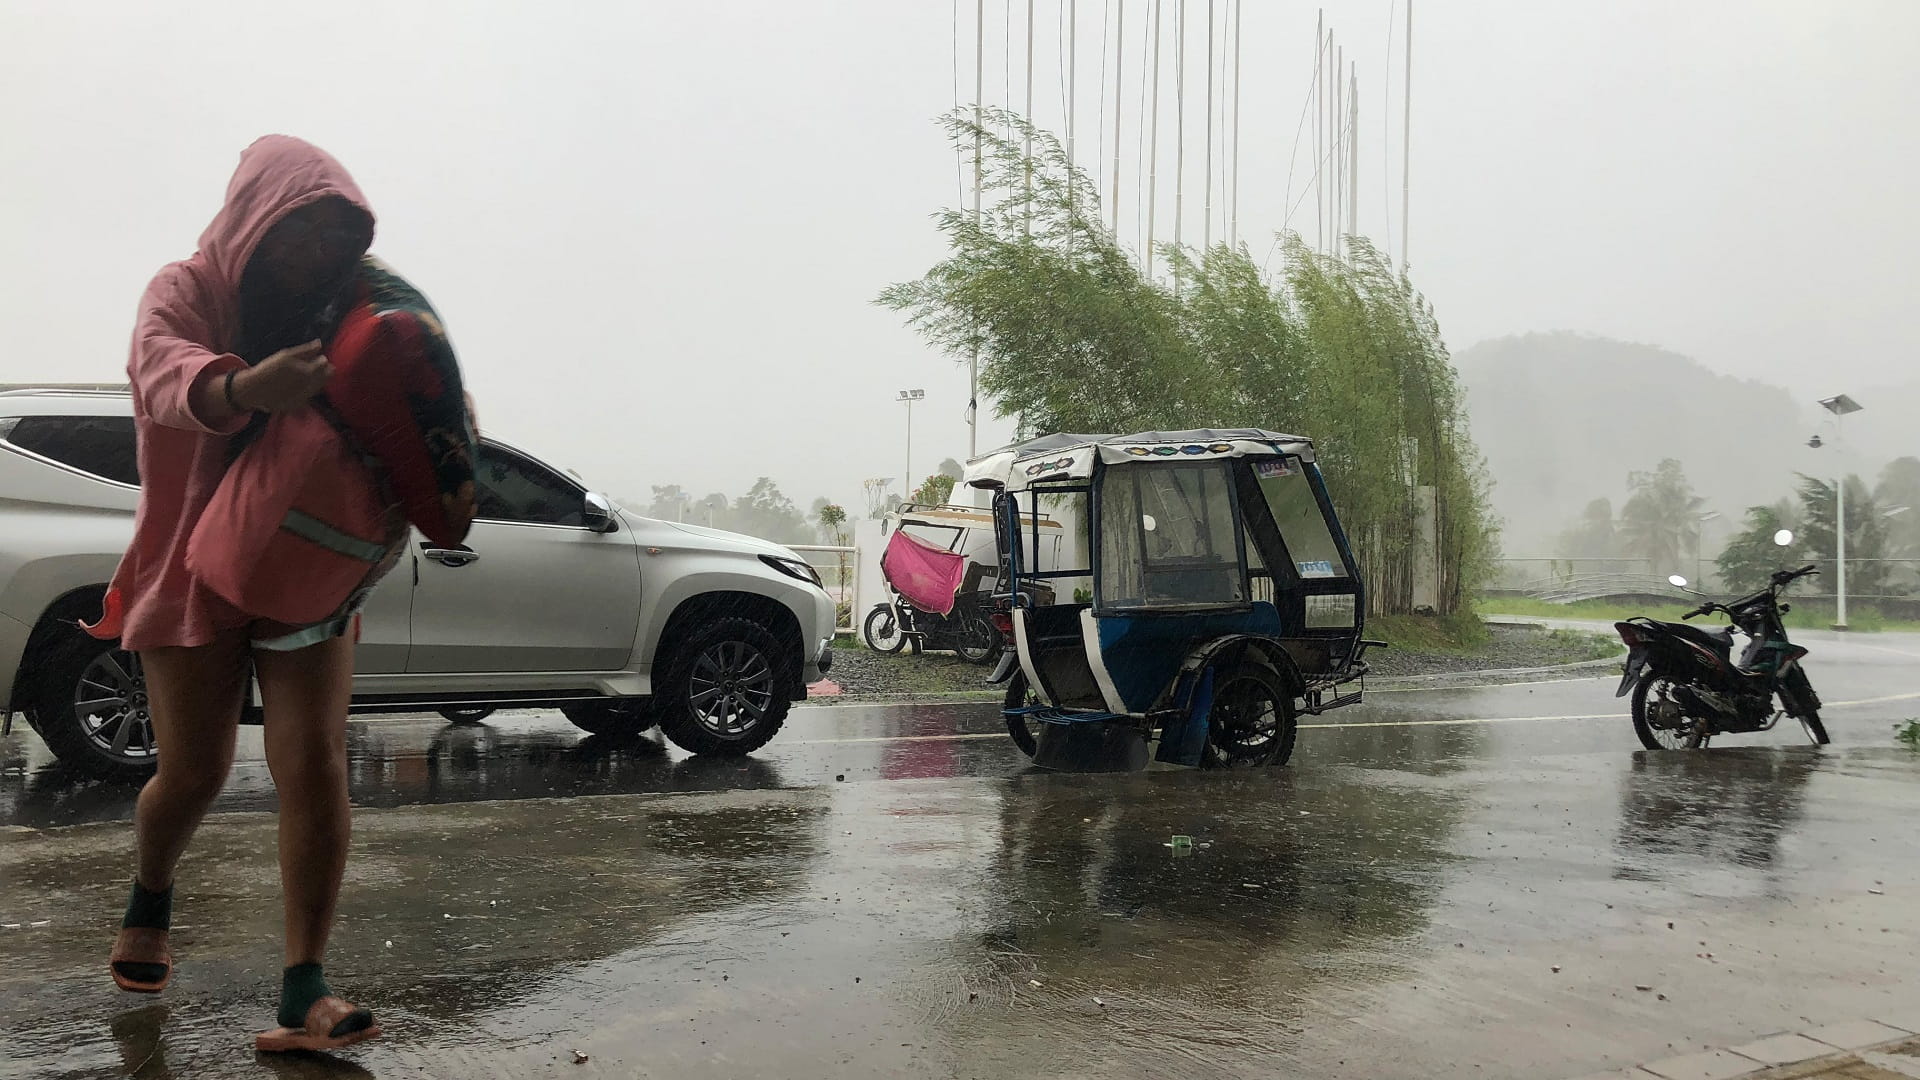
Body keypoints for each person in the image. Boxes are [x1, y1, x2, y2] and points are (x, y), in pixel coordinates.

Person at [104, 135, 394, 1053]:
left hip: (305, 560)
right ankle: (151, 894)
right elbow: (158, 371)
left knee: (312, 763)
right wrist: (244, 386)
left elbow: (414, 374)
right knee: (194, 772)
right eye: (297, 230)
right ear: (252, 219)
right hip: (189, 568)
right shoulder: (184, 290)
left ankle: (303, 990)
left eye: (332, 237)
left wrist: (447, 450)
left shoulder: (349, 302)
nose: (313, 254)